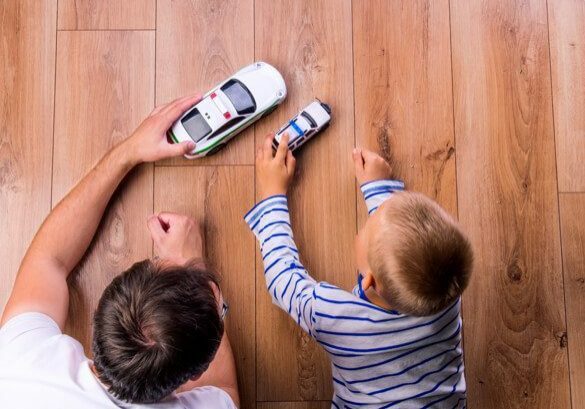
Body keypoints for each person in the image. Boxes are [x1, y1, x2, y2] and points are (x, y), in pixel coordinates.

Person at [0, 94, 239, 409]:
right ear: (195, 374)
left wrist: (128, 152)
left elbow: (48, 259)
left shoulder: (18, 367)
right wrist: (193, 270)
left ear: (100, 315)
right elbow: (225, 391)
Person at [246, 133, 473, 408]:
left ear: (369, 281)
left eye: (366, 228)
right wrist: (378, 187)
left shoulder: (333, 316)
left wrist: (272, 195)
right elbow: (408, 253)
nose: (369, 219)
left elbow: (283, 279)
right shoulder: (446, 289)